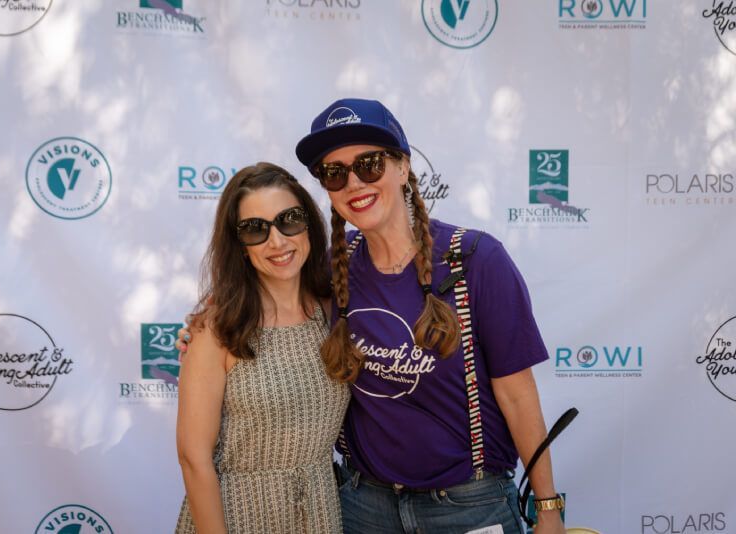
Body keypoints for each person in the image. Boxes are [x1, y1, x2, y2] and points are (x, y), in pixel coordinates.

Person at [293, 98, 566, 534]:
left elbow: (518, 396)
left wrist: (548, 507)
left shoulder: (475, 260)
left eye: (369, 164)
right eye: (334, 172)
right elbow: (262, 311)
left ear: (403, 167)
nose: (353, 183)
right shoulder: (327, 271)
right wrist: (204, 330)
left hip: (468, 507)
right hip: (364, 507)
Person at [174, 162, 350, 534]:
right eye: (255, 229)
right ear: (239, 245)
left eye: (289, 220)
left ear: (309, 226)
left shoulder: (334, 310)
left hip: (320, 512)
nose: (277, 241)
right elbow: (194, 458)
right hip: (237, 516)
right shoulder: (217, 328)